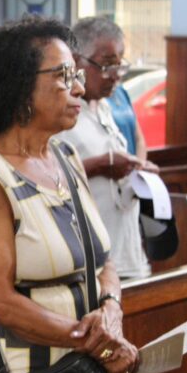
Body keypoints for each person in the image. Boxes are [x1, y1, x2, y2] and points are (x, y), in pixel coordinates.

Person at [0, 17, 139, 373]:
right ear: (19, 86)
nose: (78, 87)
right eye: (63, 76)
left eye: (76, 74)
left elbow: (102, 260)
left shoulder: (66, 157)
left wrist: (111, 310)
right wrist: (91, 338)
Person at [56, 17, 155, 280]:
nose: (115, 75)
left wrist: (137, 169)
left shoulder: (105, 107)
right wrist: (99, 164)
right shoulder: (59, 114)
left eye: (119, 65)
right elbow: (48, 176)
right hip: (92, 262)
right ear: (76, 60)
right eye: (106, 65)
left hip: (127, 252)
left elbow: (135, 144)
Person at [107, 81, 149, 161]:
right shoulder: (97, 99)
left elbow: (139, 139)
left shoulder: (121, 91)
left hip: (134, 164)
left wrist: (140, 164)